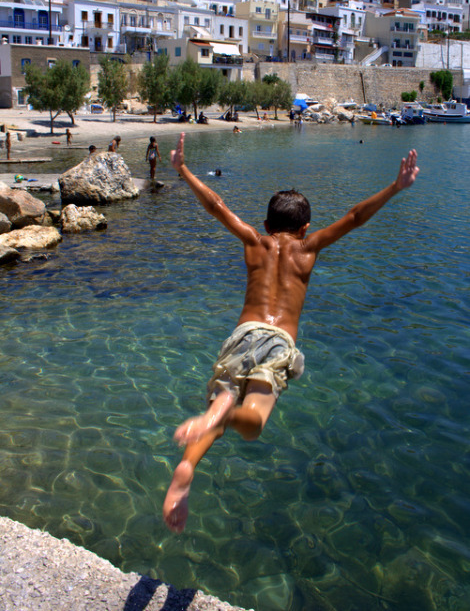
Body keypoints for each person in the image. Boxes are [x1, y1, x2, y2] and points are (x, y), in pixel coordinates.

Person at [163, 133, 419, 533]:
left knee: (223, 399)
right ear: (305, 227)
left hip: (242, 334)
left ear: (266, 224)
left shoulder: (254, 240)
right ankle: (227, 416)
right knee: (254, 423)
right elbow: (354, 217)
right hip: (278, 341)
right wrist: (394, 187)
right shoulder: (309, 247)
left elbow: (217, 206)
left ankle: (188, 463)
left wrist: (182, 169)